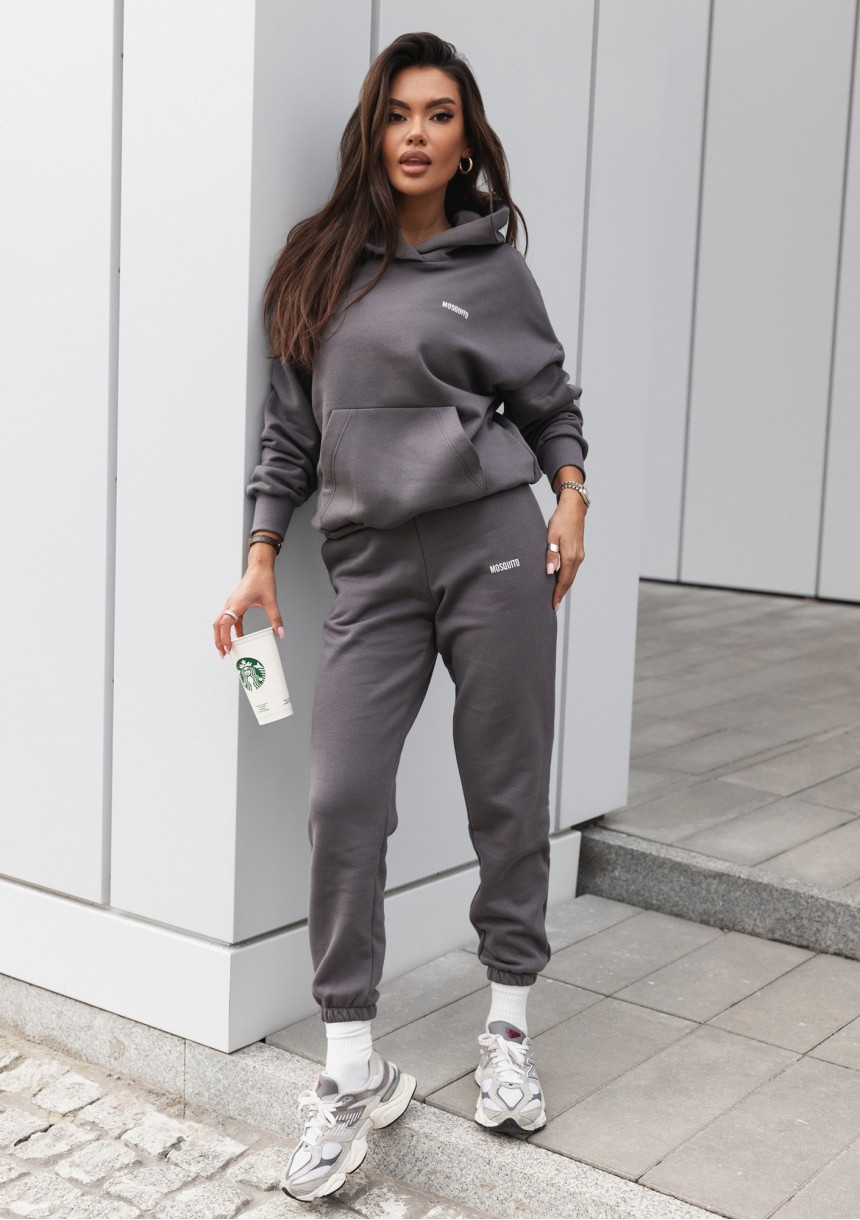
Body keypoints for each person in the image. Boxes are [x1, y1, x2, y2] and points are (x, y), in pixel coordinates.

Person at [213, 30, 589, 1203]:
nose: (416, 133)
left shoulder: (494, 267)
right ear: (370, 131)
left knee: (505, 785)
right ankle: (350, 1069)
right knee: (342, 798)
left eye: (438, 114)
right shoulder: (318, 264)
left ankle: (508, 1027)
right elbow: (288, 431)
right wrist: (260, 555)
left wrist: (572, 496)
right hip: (369, 568)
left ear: (464, 137)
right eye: (397, 113)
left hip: (492, 546)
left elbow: (548, 400)